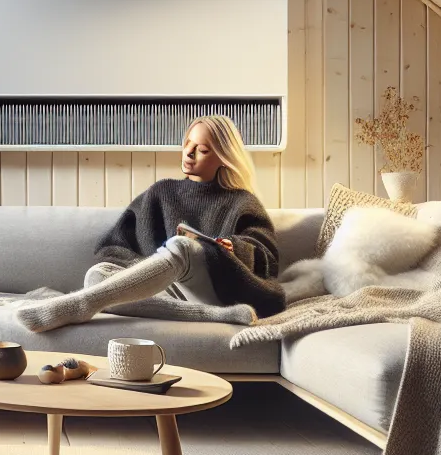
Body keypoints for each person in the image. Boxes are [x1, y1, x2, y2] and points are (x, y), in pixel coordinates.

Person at [14, 114, 285, 332]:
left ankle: (81, 305)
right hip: (165, 291)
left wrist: (235, 249)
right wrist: (143, 273)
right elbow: (113, 247)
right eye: (187, 143)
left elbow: (266, 257)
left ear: (223, 158)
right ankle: (214, 317)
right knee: (96, 275)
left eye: (201, 150)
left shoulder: (241, 200)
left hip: (218, 286)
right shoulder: (162, 192)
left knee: (181, 245)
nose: (189, 153)